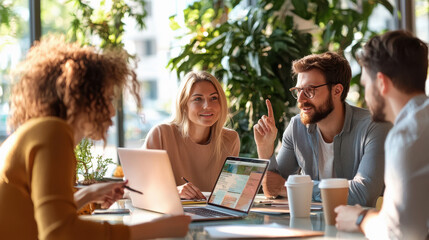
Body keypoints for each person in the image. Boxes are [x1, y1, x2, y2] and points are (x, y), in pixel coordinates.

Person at [0, 37, 190, 239]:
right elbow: (59, 233)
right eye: (107, 99)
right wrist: (156, 229)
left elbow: (41, 215)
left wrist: (89, 194)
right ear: (79, 96)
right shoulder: (53, 133)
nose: (111, 111)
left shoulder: (42, 131)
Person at [253, 52, 392, 207]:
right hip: (311, 225)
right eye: (298, 90)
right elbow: (272, 189)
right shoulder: (297, 127)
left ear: (337, 91)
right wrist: (265, 149)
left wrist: (293, 187)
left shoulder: (375, 127)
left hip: (361, 227)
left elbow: (362, 194)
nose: (300, 99)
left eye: (309, 90)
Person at [335, 31, 429, 239]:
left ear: (381, 83)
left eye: (366, 84)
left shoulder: (407, 135)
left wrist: (360, 218)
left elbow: (402, 233)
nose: (365, 95)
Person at [143, 71, 240, 200]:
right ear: (183, 105)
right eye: (198, 99)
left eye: (214, 98)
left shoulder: (230, 139)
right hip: (171, 216)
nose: (207, 106)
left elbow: (228, 195)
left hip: (214, 217)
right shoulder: (161, 134)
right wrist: (174, 191)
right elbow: (132, 187)